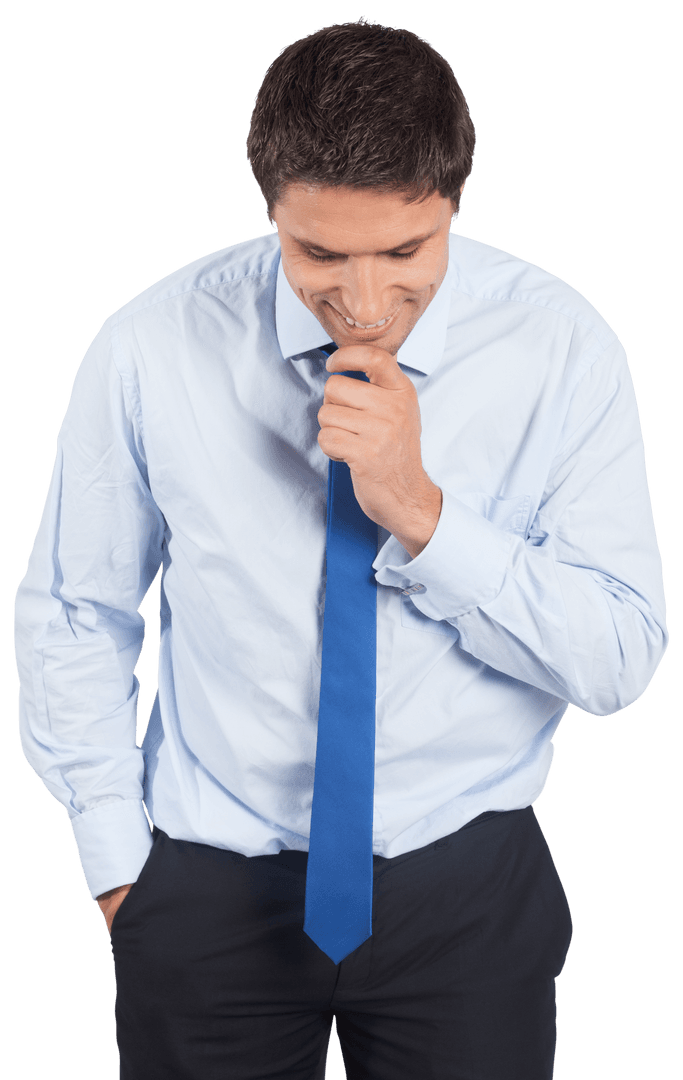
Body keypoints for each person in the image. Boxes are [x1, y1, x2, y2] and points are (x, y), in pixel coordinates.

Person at [14, 17, 667, 1080]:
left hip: (466, 891)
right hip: (207, 889)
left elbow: (618, 659)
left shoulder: (560, 346)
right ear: (270, 206)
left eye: (405, 252)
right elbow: (77, 610)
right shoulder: (152, 345)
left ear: (453, 202)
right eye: (319, 253)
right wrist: (117, 864)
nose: (364, 305)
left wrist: (422, 513)